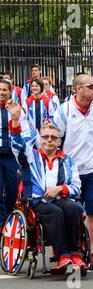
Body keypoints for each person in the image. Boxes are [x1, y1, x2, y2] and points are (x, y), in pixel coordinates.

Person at [8, 105, 86, 272]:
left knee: (73, 208)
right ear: (40, 139)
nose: (49, 140)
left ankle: (74, 253)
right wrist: (15, 121)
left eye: (53, 137)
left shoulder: (68, 160)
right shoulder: (31, 156)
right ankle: (62, 255)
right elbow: (16, 146)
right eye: (45, 137)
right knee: (55, 212)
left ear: (59, 141)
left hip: (61, 198)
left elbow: (77, 187)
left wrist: (60, 189)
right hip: (36, 201)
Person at [51, 74, 93, 269]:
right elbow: (53, 140)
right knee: (72, 212)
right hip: (70, 171)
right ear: (76, 89)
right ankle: (70, 249)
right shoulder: (64, 111)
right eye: (90, 86)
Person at [0, 80, 31, 229]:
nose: (1, 92)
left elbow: (25, 131)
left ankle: (7, 216)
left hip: (12, 156)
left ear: (10, 91)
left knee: (12, 190)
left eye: (4, 90)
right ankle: (1, 224)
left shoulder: (16, 110)